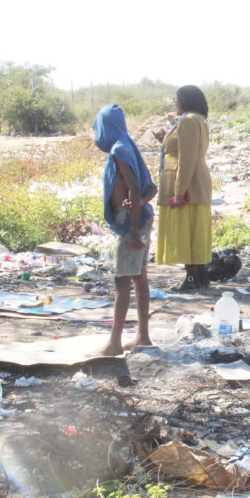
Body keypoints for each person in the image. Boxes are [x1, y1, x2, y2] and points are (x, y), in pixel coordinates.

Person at [93, 104, 157, 356]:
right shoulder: (128, 145)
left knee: (122, 281)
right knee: (140, 276)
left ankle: (114, 343)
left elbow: (132, 187)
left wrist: (132, 230)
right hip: (138, 218)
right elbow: (150, 189)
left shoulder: (119, 150)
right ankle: (142, 335)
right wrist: (139, 205)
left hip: (129, 222)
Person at [155, 85, 212, 292]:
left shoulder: (188, 121)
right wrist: (165, 142)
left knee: (186, 232)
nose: (174, 103)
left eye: (177, 100)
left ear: (186, 101)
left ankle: (192, 278)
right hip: (196, 183)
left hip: (189, 185)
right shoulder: (197, 121)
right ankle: (200, 278)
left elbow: (186, 159)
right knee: (194, 231)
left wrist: (179, 191)